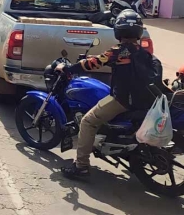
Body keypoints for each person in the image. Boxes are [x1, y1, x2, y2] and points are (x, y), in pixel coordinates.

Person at [56, 10, 157, 178]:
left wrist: (67, 68)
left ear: (118, 31)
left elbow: (93, 64)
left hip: (123, 99)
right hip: (144, 98)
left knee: (88, 122)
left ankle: (81, 166)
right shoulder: (143, 51)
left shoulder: (118, 52)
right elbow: (103, 58)